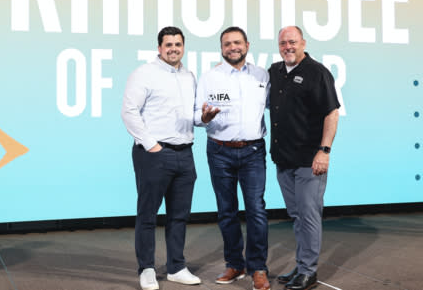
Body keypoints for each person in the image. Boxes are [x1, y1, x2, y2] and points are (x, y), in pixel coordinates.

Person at [121, 26, 201, 290]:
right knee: (147, 215)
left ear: (183, 47)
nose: (173, 49)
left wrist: (205, 118)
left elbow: (192, 114)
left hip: (185, 154)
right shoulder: (144, 74)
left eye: (178, 44)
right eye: (168, 44)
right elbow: (129, 112)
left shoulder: (189, 76)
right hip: (154, 154)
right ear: (159, 48)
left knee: (179, 215)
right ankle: (146, 268)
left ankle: (176, 266)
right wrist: (151, 145)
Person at [194, 26, 271, 290]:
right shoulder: (209, 77)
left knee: (256, 210)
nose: (232, 47)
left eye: (237, 43)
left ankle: (258, 268)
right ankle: (235, 264)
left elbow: (279, 107)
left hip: (252, 151)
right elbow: (197, 115)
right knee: (226, 212)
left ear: (247, 45)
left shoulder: (263, 75)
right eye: (227, 44)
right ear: (221, 48)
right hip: (219, 151)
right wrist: (204, 118)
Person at [269, 26, 340, 290]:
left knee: (309, 216)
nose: (288, 46)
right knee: (297, 215)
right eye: (283, 42)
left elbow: (331, 114)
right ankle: (301, 265)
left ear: (303, 43)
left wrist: (324, 151)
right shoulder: (274, 72)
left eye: (293, 42)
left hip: (310, 161)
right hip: (283, 159)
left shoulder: (317, 72)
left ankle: (308, 271)